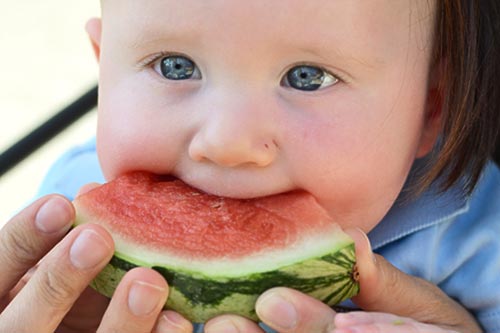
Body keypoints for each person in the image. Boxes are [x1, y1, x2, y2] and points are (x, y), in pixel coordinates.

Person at [1, 0, 499, 332]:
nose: (226, 142)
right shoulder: (71, 209)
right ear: (103, 64)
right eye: (175, 65)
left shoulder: (476, 244)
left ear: (430, 109)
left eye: (307, 77)